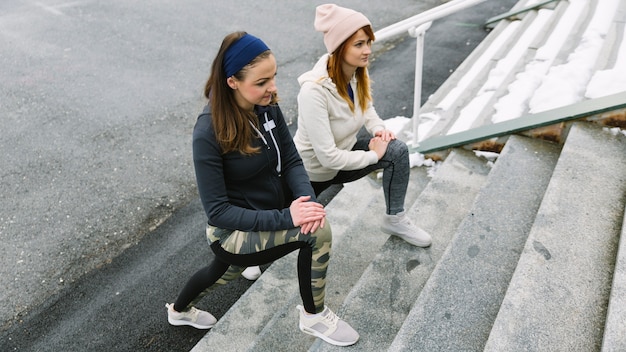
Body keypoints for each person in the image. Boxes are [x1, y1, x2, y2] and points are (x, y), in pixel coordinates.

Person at [165, 31, 359, 347]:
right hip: (230, 233)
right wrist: (289, 218)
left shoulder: (267, 106)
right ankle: (314, 317)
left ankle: (179, 310)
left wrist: (305, 202)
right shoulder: (208, 133)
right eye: (261, 82)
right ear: (232, 82)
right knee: (316, 233)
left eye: (273, 77)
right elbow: (219, 212)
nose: (272, 88)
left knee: (221, 274)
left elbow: (294, 160)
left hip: (265, 212)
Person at [292, 4, 432, 248]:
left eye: (368, 42)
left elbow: (366, 108)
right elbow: (327, 157)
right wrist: (372, 155)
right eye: (359, 44)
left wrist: (378, 129)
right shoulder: (313, 91)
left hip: (342, 160)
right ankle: (243, 258)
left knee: (397, 150)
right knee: (279, 227)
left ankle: (395, 219)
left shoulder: (356, 73)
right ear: (339, 46)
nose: (367, 50)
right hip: (309, 175)